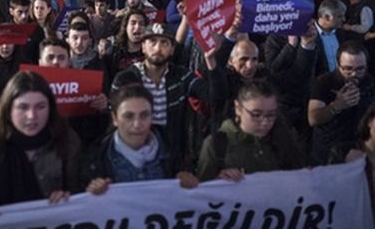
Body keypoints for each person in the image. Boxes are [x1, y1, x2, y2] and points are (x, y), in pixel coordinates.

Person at [0, 71, 81, 219]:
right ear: (8, 108)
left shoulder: (67, 138)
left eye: (40, 107)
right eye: (23, 107)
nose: (32, 116)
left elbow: (80, 190)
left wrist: (68, 198)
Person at [111, 22, 223, 167]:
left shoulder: (181, 76)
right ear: (143, 47)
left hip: (172, 160)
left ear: (172, 49)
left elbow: (215, 96)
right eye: (152, 42)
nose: (158, 48)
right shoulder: (125, 79)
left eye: (164, 42)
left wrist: (211, 60)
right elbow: (112, 120)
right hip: (130, 158)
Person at [81, 83, 199, 194]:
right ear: (115, 119)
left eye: (144, 115)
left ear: (152, 116)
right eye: (128, 116)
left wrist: (189, 184)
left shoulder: (175, 151)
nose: (137, 124)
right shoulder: (94, 159)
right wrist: (91, 194)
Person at [197, 80, 304, 181]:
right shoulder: (218, 144)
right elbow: (201, 190)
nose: (265, 122)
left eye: (271, 115)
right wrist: (218, 180)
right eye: (256, 115)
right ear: (238, 108)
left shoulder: (283, 138)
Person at [308, 41, 375, 165]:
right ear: (338, 65)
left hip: (361, 151)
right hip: (329, 153)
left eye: (360, 69)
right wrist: (336, 106)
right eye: (348, 69)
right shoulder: (324, 82)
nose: (354, 74)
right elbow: (313, 119)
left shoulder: (370, 82)